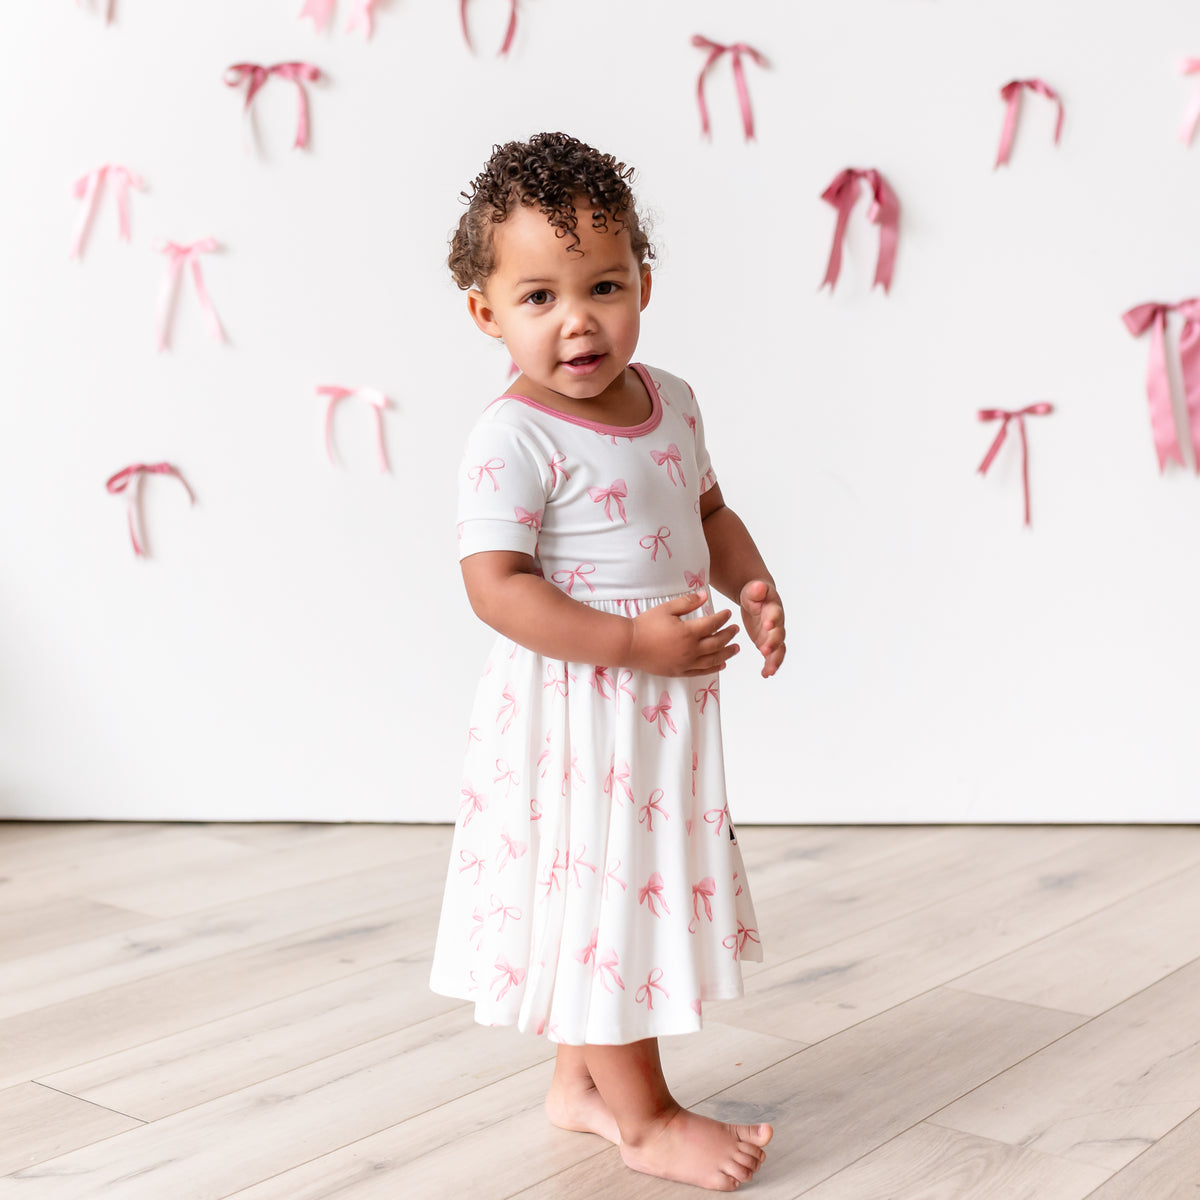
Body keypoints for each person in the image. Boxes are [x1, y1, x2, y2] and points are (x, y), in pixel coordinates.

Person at [429, 131, 786, 1192]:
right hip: (580, 707)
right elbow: (496, 585)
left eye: (603, 286)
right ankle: (647, 1117)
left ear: (643, 285)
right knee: (611, 899)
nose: (577, 319)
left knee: (616, 890)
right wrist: (633, 642)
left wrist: (752, 586)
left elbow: (708, 513)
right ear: (486, 313)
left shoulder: (672, 399)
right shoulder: (513, 437)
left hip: (657, 704)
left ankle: (580, 1086)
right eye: (539, 297)